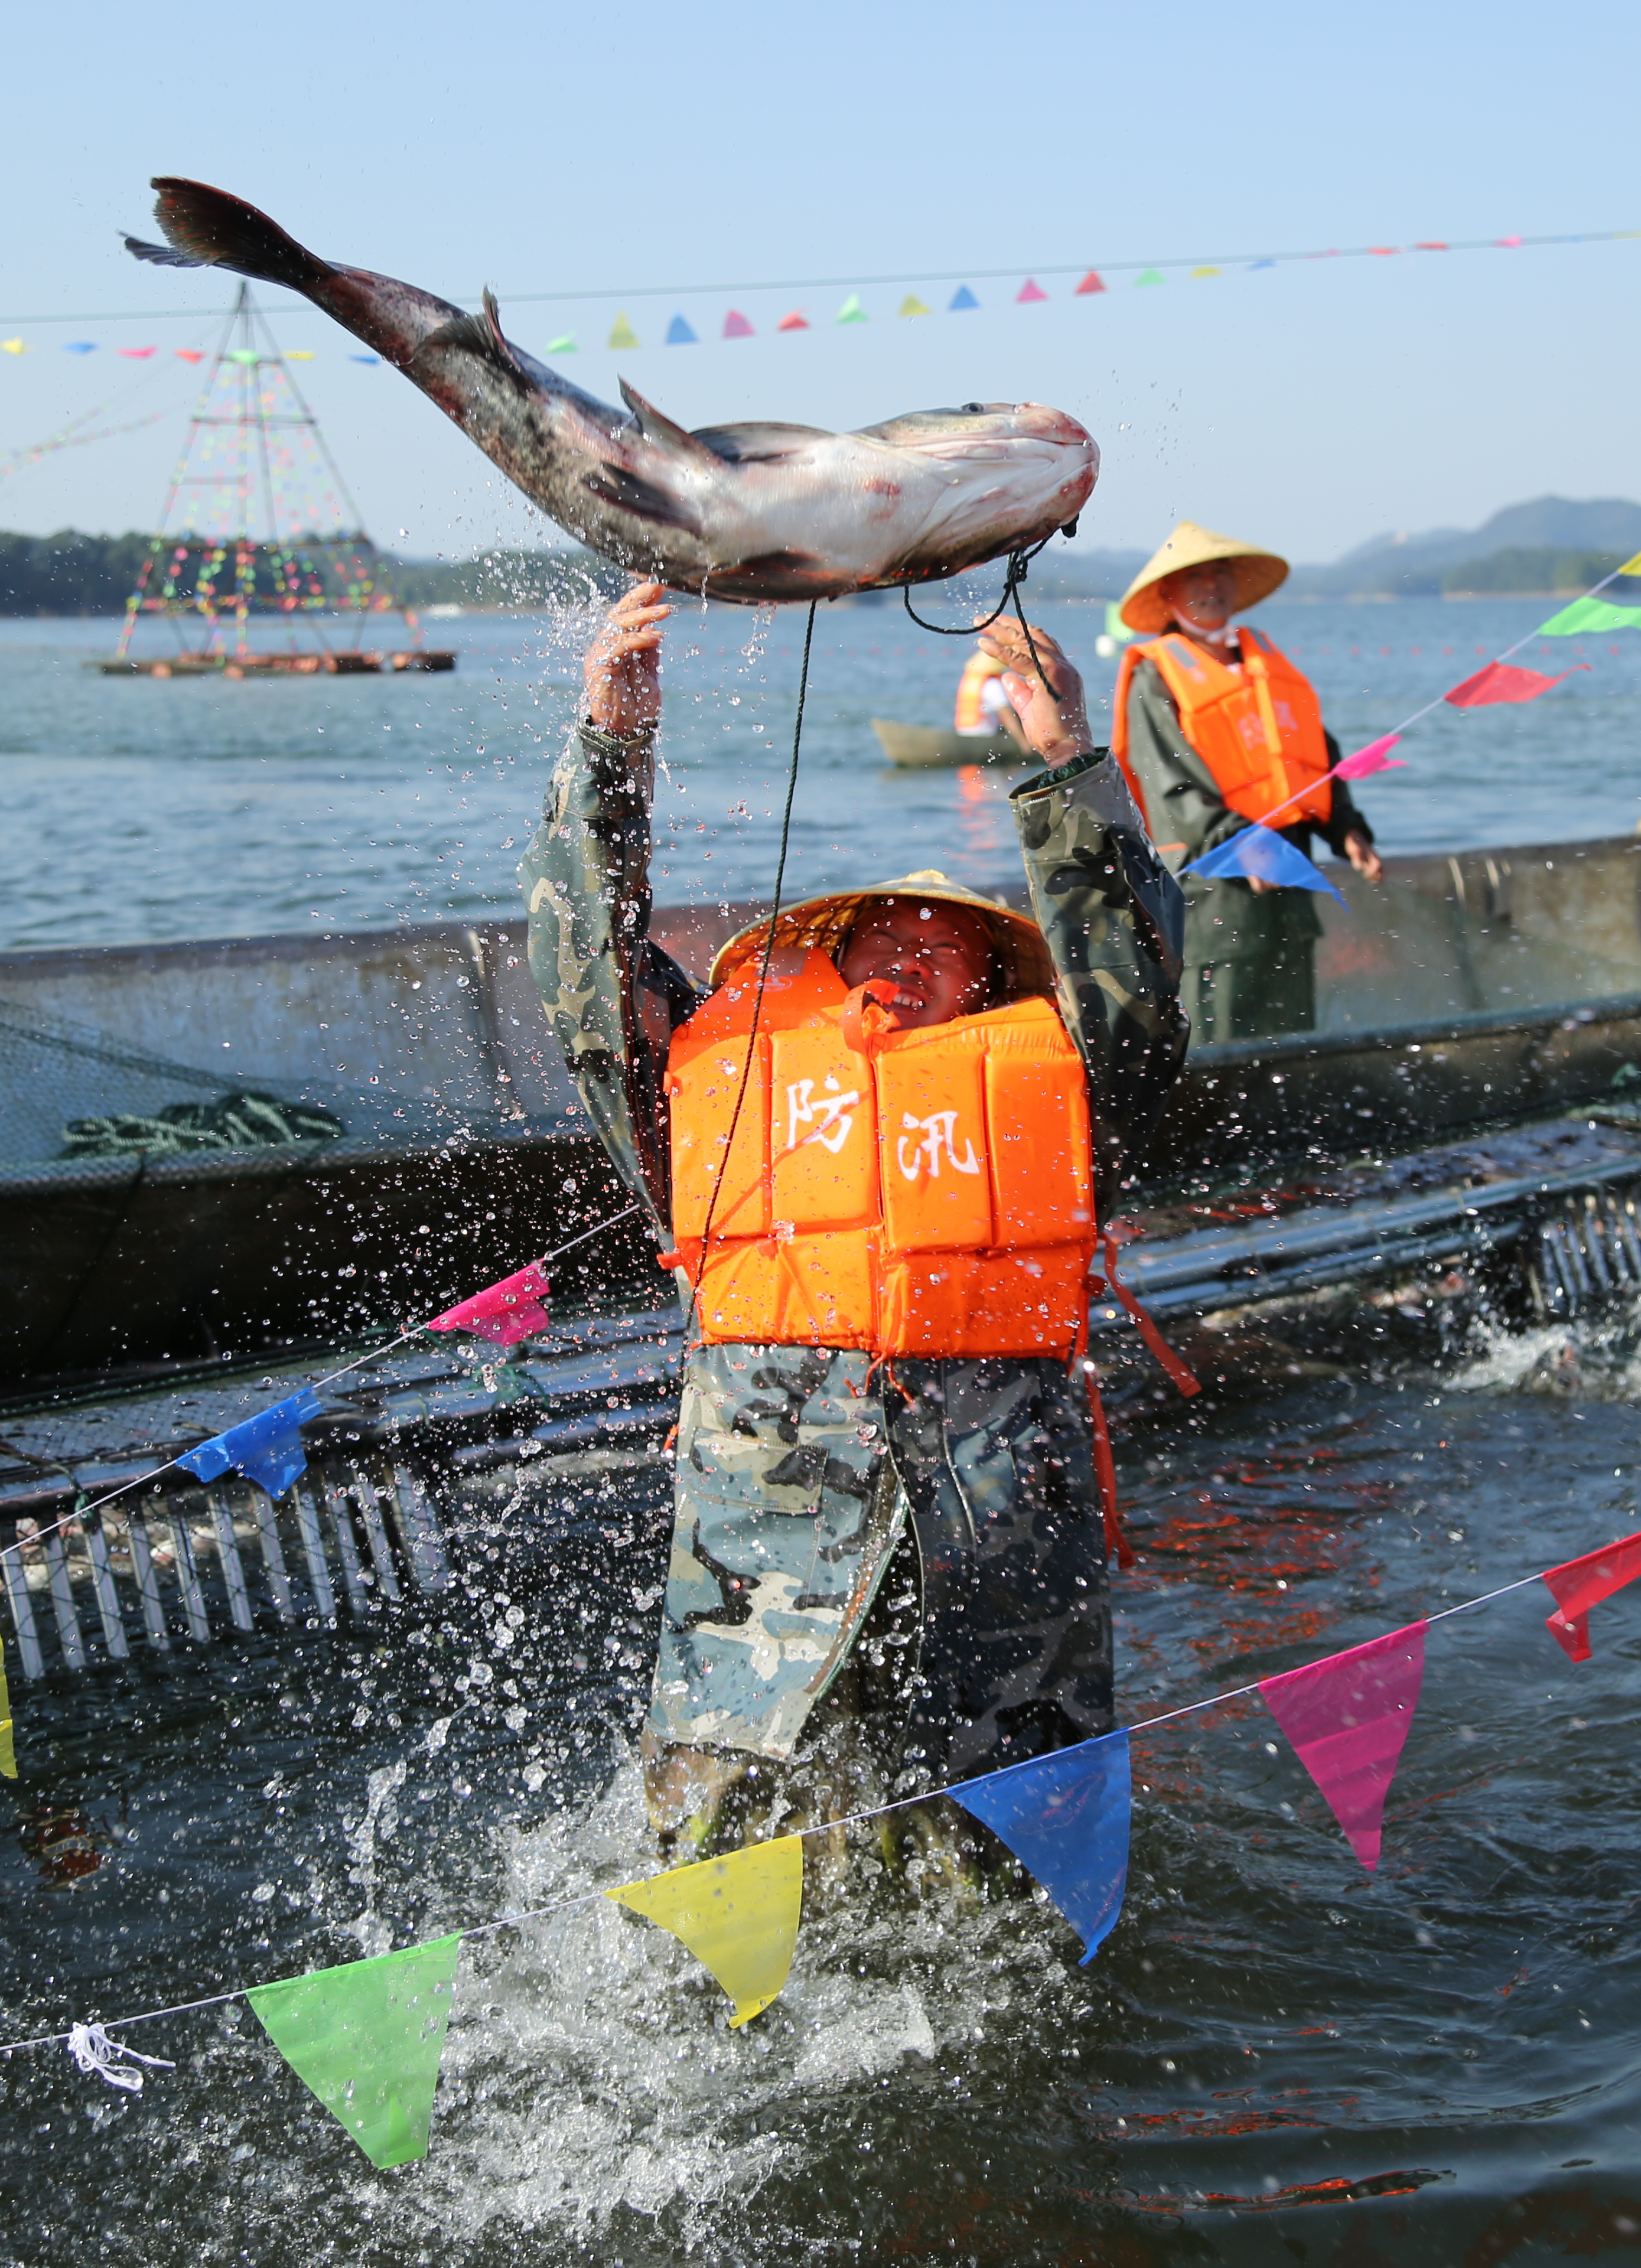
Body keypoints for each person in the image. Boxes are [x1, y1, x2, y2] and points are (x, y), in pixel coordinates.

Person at [519, 582, 1188, 1856]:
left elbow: (1138, 1005)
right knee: (727, 1883)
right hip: (761, 1588)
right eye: (879, 942)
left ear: (996, 993)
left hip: (1002, 1580)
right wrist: (610, 751)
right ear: (821, 971)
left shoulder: (1062, 1091)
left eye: (949, 949)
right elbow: (584, 981)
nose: (907, 962)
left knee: (1014, 1884)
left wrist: (1065, 763)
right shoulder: (715, 1086)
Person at [1109, 523, 1384, 1041]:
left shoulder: (1268, 669)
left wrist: (1346, 830)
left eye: (1220, 574)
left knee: (1293, 1046)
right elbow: (1172, 785)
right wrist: (1243, 846)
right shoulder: (1157, 675)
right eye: (1194, 578)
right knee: (1222, 1049)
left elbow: (1315, 758)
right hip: (1216, 898)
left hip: (1290, 889)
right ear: (1167, 594)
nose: (1210, 587)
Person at [951, 647, 1016, 741]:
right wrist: (1024, 744)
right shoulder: (992, 684)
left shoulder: (969, 681)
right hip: (985, 735)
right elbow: (1006, 715)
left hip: (963, 731)